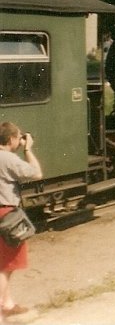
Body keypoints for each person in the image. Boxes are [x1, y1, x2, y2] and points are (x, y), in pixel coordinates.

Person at [0, 123, 42, 322]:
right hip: (6, 214)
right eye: (18, 138)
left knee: (4, 262)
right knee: (7, 264)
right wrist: (28, 150)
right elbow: (36, 173)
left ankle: (8, 304)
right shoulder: (8, 158)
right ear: (10, 140)